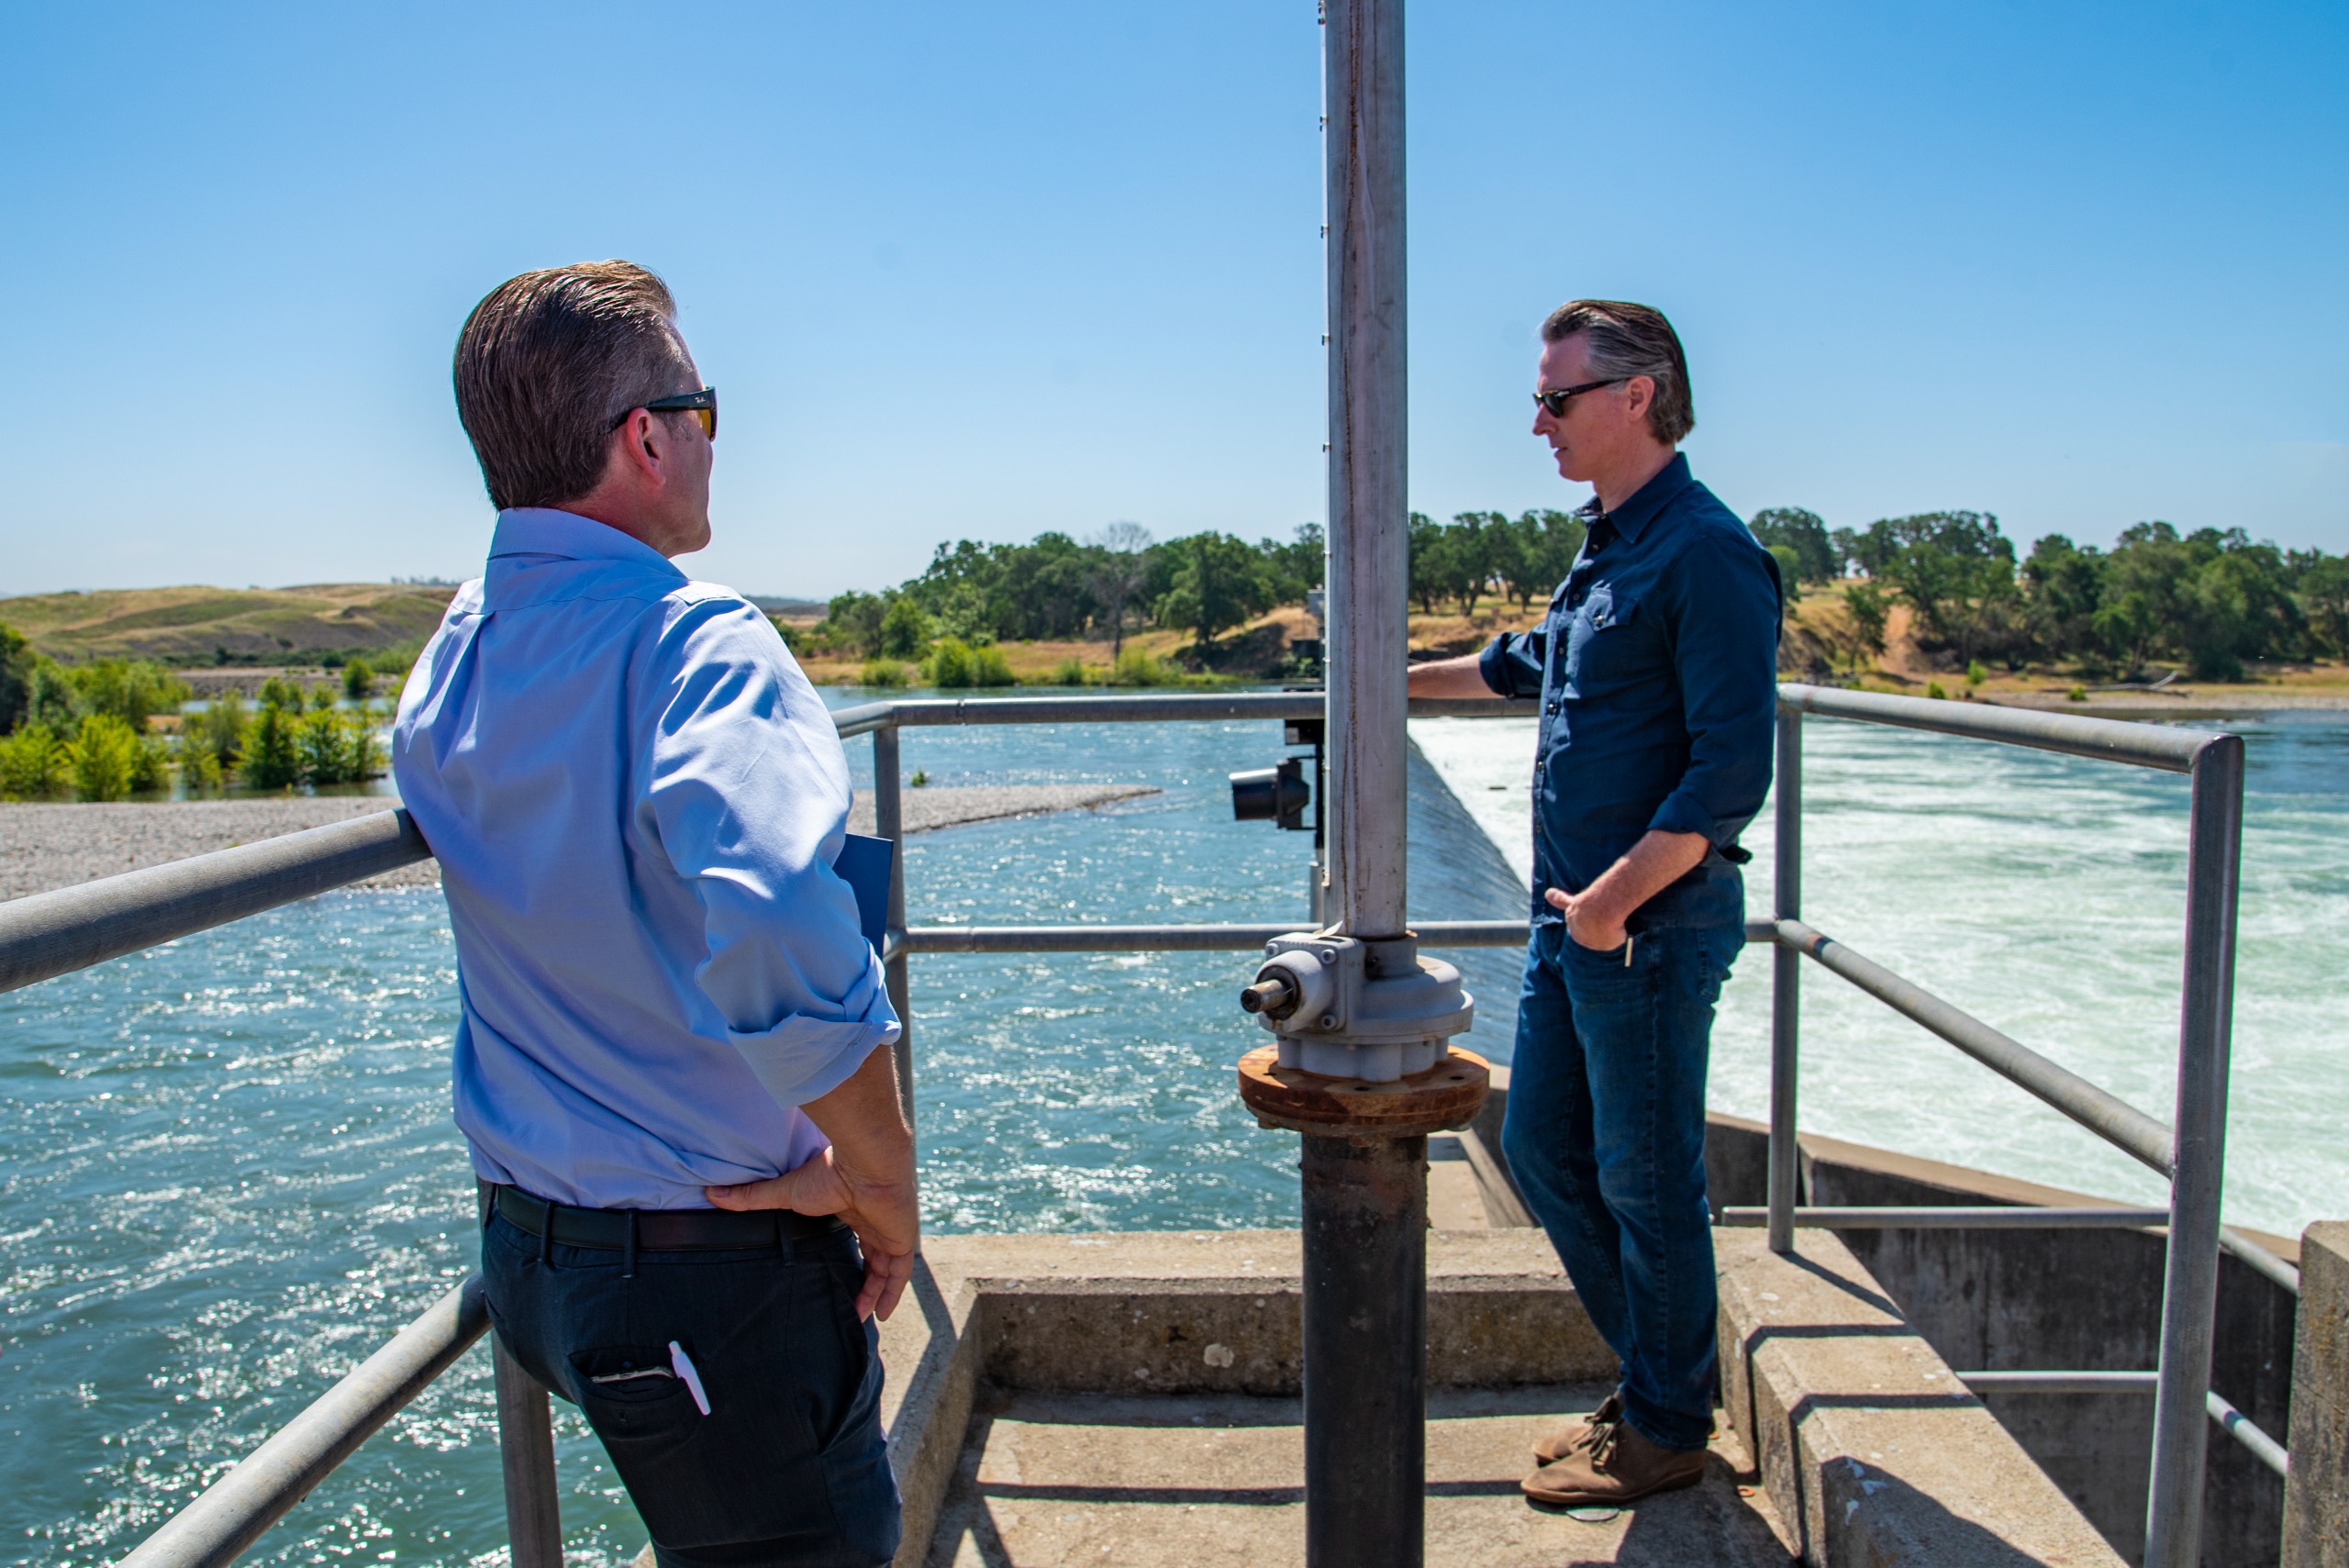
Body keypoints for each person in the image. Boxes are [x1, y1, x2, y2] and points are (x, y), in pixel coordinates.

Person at [394, 261, 914, 1568]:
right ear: (646, 437)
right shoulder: (697, 640)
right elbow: (775, 915)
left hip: (529, 1255)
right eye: (705, 409)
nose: (709, 443)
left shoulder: (460, 640)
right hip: (709, 1273)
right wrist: (880, 1186)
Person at [1408, 299, 1779, 1507]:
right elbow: (1518, 662)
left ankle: (1668, 1421)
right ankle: (1661, 1385)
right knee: (1541, 1149)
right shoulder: (1609, 545)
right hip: (1576, 923)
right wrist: (1372, 680)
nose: (1537, 421)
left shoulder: (1705, 552)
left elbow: (1731, 769)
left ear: (1638, 393)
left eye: (1556, 398)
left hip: (1645, 926)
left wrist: (1614, 902)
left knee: (1646, 1173)